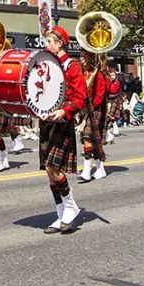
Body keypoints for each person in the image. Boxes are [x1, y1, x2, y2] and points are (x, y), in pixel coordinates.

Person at [39, 26, 87, 234]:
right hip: (47, 120)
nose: (46, 44)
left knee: (53, 169)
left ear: (59, 44)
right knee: (49, 172)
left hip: (61, 120)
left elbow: (80, 97)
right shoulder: (47, 64)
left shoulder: (71, 65)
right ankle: (61, 213)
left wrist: (65, 111)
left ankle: (71, 206)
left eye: (50, 41)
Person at [78, 50, 109, 182]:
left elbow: (99, 96)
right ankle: (100, 168)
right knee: (94, 141)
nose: (82, 59)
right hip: (84, 110)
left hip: (95, 110)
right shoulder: (81, 73)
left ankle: (86, 169)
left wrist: (89, 107)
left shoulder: (98, 74)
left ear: (91, 58)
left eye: (84, 56)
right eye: (80, 56)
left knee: (87, 137)